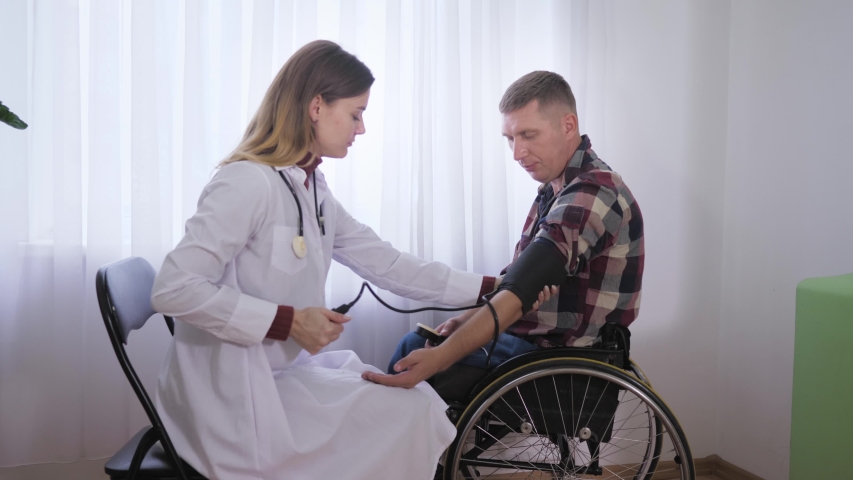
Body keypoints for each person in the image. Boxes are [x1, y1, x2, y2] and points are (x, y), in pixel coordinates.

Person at [150, 40, 500, 480]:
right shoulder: (247, 182)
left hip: (277, 377)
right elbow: (173, 289)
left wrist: (493, 288)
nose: (362, 129)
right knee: (405, 414)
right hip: (230, 401)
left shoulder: (312, 188)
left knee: (415, 405)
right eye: (356, 113)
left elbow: (387, 263)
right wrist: (289, 321)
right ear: (317, 106)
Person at [368, 71, 645, 395]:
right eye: (510, 138)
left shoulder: (592, 195)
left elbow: (520, 291)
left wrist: (442, 357)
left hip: (565, 361)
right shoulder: (556, 190)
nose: (517, 153)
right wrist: (468, 319)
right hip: (540, 343)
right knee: (428, 341)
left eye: (528, 135)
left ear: (568, 126)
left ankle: (413, 445)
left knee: (413, 349)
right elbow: (518, 277)